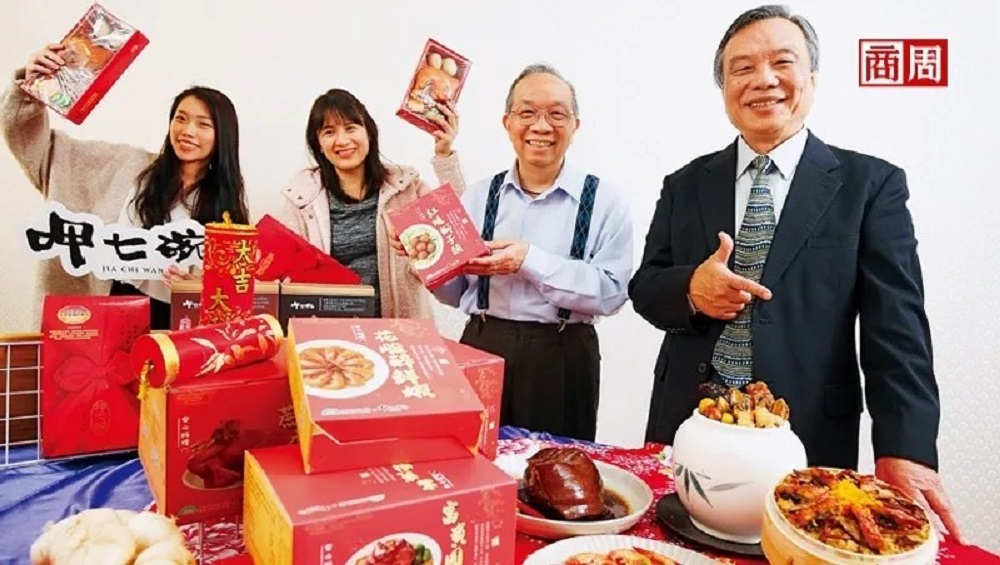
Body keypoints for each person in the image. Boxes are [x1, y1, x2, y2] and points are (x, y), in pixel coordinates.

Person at [629, 5, 966, 542]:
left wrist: (905, 449)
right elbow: (646, 287)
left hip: (806, 432)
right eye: (742, 68)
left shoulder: (869, 186)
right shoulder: (685, 183)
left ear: (812, 78)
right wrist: (691, 289)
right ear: (724, 88)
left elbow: (897, 328)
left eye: (782, 62)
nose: (763, 79)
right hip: (688, 428)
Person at [425, 64, 634, 442]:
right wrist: (428, 262)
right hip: (484, 342)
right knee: (476, 458)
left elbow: (612, 293)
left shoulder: (605, 200)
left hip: (564, 354)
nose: (541, 126)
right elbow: (455, 293)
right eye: (527, 113)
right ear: (507, 123)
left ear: (575, 126)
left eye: (556, 114)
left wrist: (529, 261)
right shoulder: (478, 196)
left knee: (558, 466)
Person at [2, 43, 249, 330]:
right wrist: (33, 87)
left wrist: (198, 291)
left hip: (173, 332)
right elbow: (38, 148)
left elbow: (235, 299)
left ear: (223, 136)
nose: (187, 131)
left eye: (203, 124)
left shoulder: (229, 208)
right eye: (180, 118)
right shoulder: (123, 165)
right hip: (99, 318)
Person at [275, 88, 464, 319]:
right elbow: (285, 277)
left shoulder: (405, 187)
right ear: (319, 144)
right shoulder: (302, 198)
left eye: (351, 128)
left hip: (402, 328)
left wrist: (444, 155)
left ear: (369, 133)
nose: (342, 140)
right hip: (330, 331)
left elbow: (460, 228)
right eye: (329, 132)